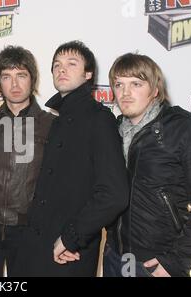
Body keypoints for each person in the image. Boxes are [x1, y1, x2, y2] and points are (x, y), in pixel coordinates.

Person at [16, 41, 129, 276]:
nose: (61, 69)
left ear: (88, 74)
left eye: (71, 63)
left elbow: (114, 194)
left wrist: (70, 238)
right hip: (36, 249)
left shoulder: (99, 120)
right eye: (56, 65)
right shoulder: (57, 120)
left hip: (68, 254)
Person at [103, 53, 191, 277]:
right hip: (114, 256)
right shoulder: (112, 131)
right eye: (119, 84)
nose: (126, 93)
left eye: (136, 84)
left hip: (158, 262)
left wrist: (177, 261)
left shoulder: (185, 129)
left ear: (155, 90)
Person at [0, 45, 54, 277]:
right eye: (6, 77)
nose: (15, 84)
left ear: (32, 79)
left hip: (28, 229)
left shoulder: (50, 125)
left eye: (21, 75)